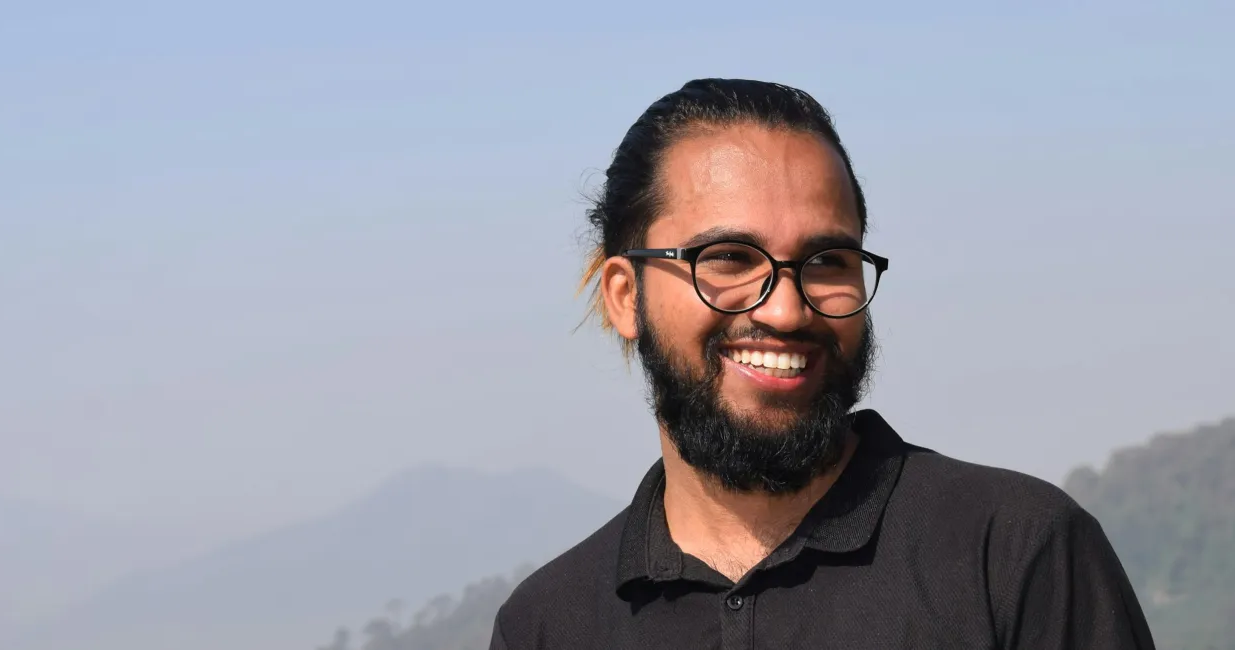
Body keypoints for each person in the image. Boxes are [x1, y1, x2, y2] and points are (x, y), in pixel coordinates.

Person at [488, 78, 1156, 649]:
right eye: (727, 259)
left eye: (827, 262)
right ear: (626, 296)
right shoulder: (551, 625)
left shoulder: (1010, 555)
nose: (785, 310)